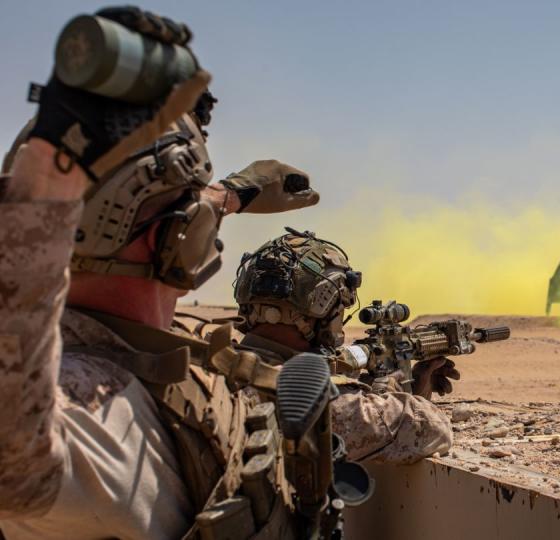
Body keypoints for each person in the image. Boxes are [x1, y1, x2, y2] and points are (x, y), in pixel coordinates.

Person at [0, 7, 318, 539]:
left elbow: (153, 220)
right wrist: (52, 172)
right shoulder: (92, 407)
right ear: (177, 236)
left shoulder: (138, 358)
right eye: (196, 208)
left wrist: (232, 193)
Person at [233, 229, 454, 464]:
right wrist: (390, 394)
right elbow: (431, 428)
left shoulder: (211, 364)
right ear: (325, 311)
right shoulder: (306, 401)